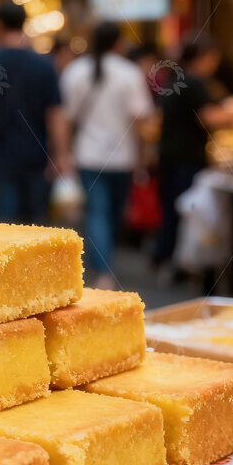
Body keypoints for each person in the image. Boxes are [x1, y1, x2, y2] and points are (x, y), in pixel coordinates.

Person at [61, 22, 155, 287]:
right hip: (122, 157)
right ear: (118, 43)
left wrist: (64, 152)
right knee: (112, 213)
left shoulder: (76, 71)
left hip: (88, 155)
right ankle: (103, 263)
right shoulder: (129, 72)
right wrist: (144, 153)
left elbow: (66, 118)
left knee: (96, 211)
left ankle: (100, 265)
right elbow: (140, 119)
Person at [0, 0, 72, 224]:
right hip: (37, 155)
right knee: (35, 225)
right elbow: (55, 114)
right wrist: (60, 154)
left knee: (4, 226)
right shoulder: (43, 65)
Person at [153, 38, 233, 269]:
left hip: (168, 154)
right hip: (187, 157)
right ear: (205, 57)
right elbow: (208, 117)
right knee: (185, 209)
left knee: (171, 207)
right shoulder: (195, 82)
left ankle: (163, 257)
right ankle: (180, 264)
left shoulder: (175, 78)